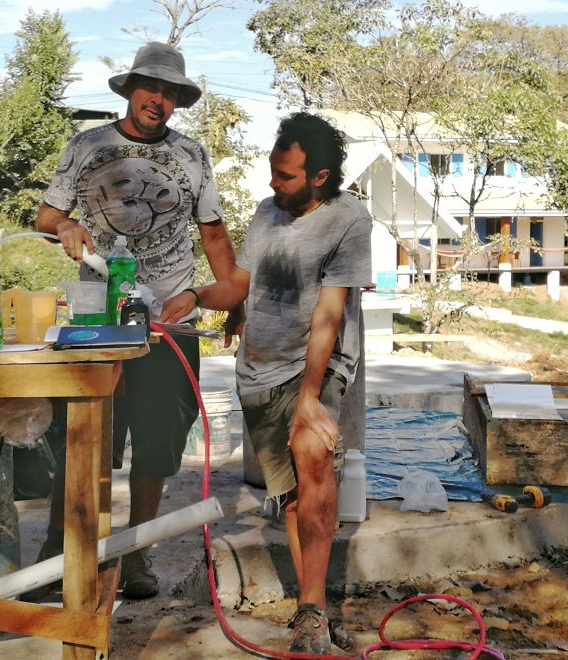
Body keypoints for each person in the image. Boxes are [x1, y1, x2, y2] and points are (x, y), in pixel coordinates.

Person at [160, 112, 372, 653]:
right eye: (273, 170)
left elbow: (329, 313)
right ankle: (312, 611)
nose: (273, 182)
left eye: (286, 175)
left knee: (314, 456)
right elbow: (240, 284)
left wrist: (310, 399)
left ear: (319, 177)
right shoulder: (265, 212)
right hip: (259, 370)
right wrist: (198, 296)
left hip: (315, 365)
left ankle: (312, 613)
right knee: (294, 499)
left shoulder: (348, 219)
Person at [35, 41, 237, 600]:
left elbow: (213, 234)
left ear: (177, 102)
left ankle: (137, 555)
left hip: (167, 321)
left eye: (170, 93)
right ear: (130, 91)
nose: (158, 100)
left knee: (157, 443)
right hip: (98, 319)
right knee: (84, 437)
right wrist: (64, 227)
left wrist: (233, 298)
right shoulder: (88, 145)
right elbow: (47, 214)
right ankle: (61, 552)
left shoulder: (192, 155)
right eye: (150, 87)